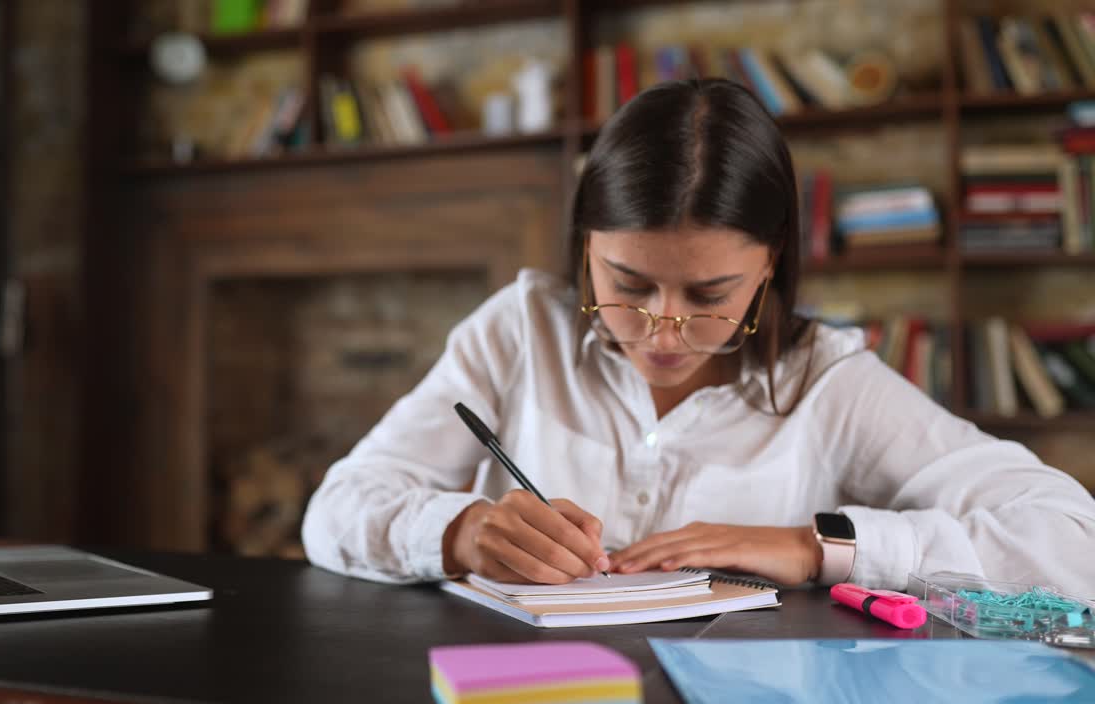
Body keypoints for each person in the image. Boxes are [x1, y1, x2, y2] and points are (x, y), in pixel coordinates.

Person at [301, 79, 1095, 596]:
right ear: (585, 247)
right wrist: (459, 531)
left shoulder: (828, 382)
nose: (662, 330)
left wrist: (820, 548)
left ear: (770, 264)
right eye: (628, 285)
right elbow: (334, 511)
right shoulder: (520, 330)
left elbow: (1071, 541)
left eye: (709, 295)